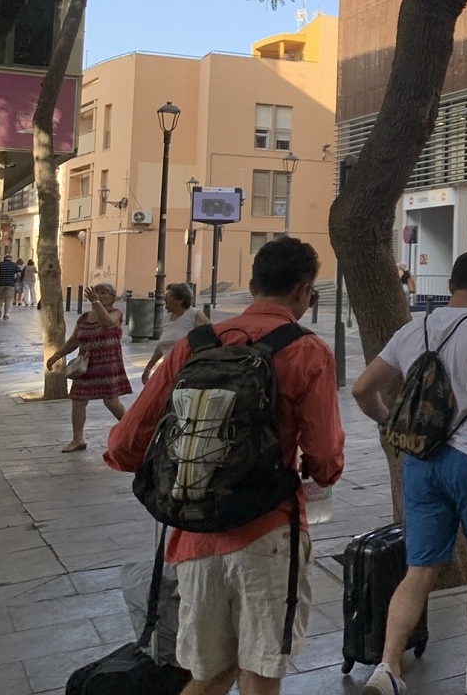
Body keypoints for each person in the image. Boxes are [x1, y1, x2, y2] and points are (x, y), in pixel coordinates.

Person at [105, 237, 345, 695]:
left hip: (192, 540)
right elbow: (326, 460)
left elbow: (123, 446)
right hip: (268, 535)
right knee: (259, 674)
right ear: (304, 290)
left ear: (253, 286)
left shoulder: (194, 345)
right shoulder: (308, 352)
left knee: (208, 676)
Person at [351, 251, 467, 695]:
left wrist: (388, 420)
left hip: (421, 464)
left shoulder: (413, 329)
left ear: (451, 283)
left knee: (419, 571)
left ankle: (389, 668)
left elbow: (361, 389)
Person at [46, 283, 130, 452]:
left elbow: (107, 323)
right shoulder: (84, 318)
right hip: (85, 365)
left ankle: (133, 428)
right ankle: (78, 439)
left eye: (104, 293)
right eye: (97, 292)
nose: (99, 295)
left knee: (111, 401)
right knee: (78, 400)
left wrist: (96, 303)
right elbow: (73, 340)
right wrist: (56, 356)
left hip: (107, 364)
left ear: (112, 297)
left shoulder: (116, 314)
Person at [141, 282, 210, 385]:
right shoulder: (166, 319)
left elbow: (209, 342)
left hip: (188, 371)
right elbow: (161, 346)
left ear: (180, 300)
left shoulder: (194, 315)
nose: (164, 299)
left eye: (169, 296)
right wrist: (149, 367)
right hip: (168, 369)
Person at [0, 253, 20, 318]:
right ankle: (5, 314)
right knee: (8, 299)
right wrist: (15, 281)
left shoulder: (0, 264)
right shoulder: (14, 265)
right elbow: (19, 274)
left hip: (0, 283)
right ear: (11, 258)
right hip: (10, 284)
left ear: (4, 258)